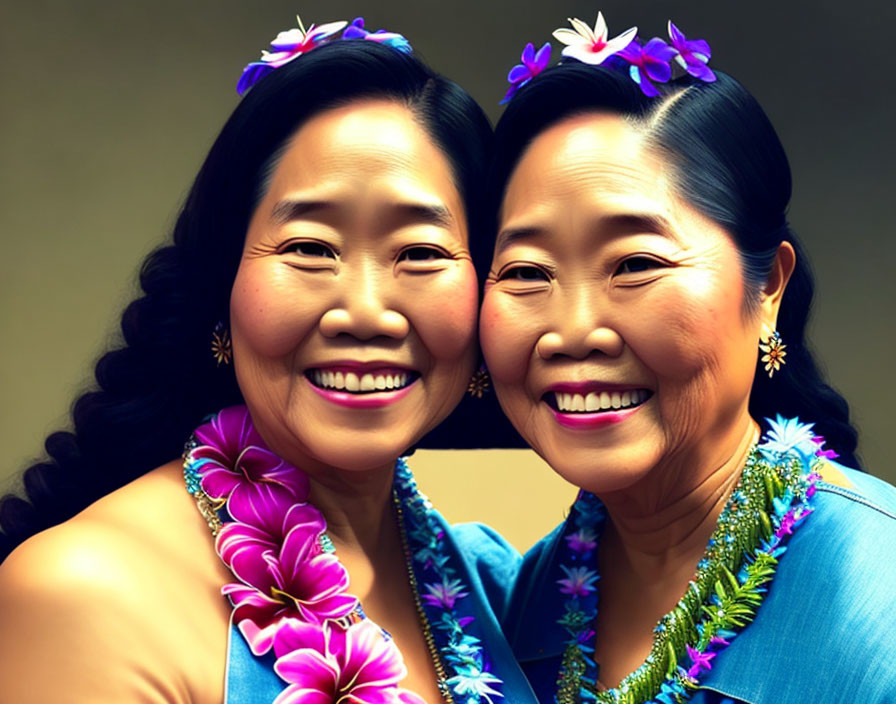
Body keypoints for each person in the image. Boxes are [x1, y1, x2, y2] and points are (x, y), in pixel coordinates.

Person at [0, 18, 536, 704]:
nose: (365, 312)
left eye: (420, 253)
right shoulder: (85, 593)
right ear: (222, 293)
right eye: (311, 248)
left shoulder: (487, 585)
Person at [481, 13, 896, 704]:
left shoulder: (879, 599)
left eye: (636, 263)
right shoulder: (521, 608)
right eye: (527, 271)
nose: (574, 330)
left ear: (768, 289)